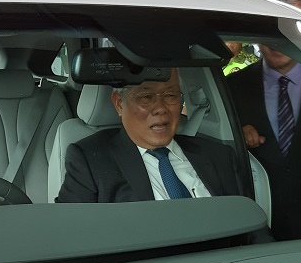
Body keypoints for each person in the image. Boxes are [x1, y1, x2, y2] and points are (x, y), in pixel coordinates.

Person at [226, 0, 301, 241]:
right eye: (269, 25)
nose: (278, 37)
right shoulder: (231, 87)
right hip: (254, 228)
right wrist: (233, 136)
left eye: (290, 25)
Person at [56, 69, 245, 204]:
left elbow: (252, 232)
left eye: (171, 95)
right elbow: (71, 234)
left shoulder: (219, 155)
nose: (161, 109)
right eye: (146, 97)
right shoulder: (90, 160)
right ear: (119, 104)